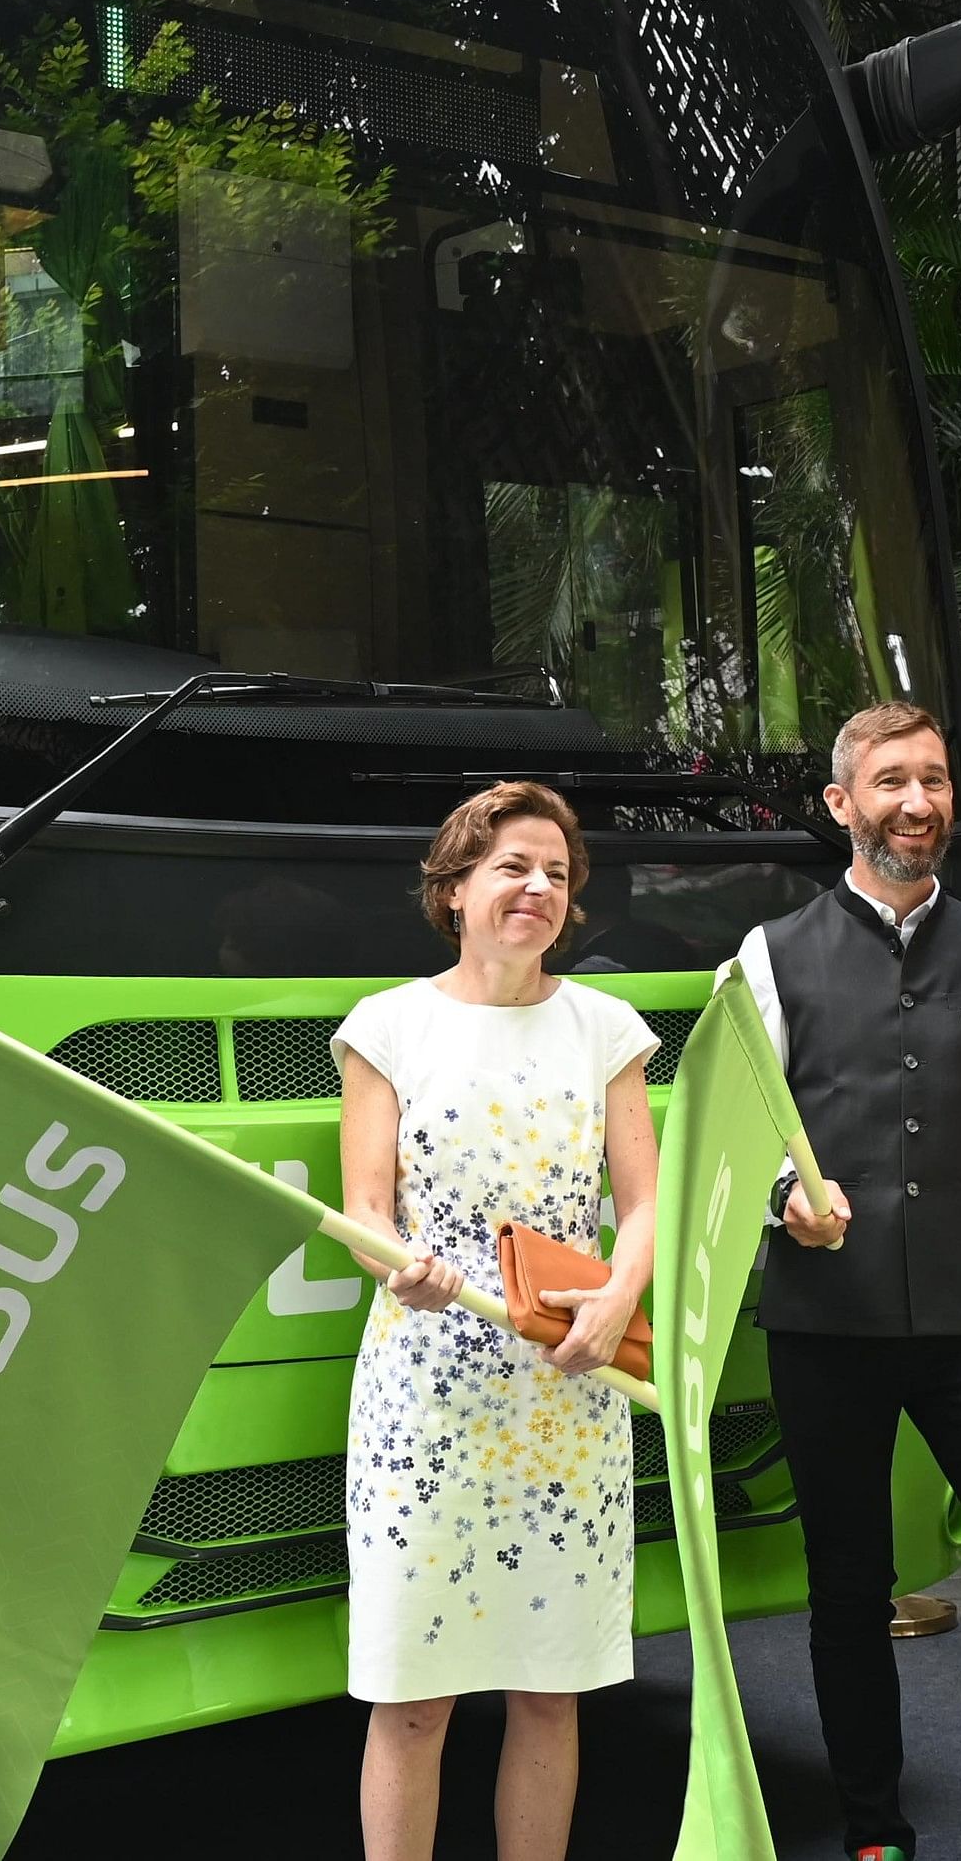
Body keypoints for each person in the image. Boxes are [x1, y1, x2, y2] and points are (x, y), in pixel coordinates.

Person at [729, 701, 961, 1861]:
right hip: (824, 1327)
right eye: (891, 782)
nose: (917, 803)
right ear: (841, 805)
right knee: (848, 1594)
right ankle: (875, 1834)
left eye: (932, 780)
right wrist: (786, 1196)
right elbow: (744, 1145)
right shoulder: (769, 955)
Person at [333, 779, 661, 1861]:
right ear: (454, 886)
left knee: (550, 1693)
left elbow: (646, 1201)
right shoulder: (387, 1026)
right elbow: (366, 1211)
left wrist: (619, 1294)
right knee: (412, 1702)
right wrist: (399, 1269)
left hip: (567, 1388)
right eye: (512, 866)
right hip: (424, 1398)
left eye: (557, 874)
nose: (537, 888)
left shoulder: (605, 1029)